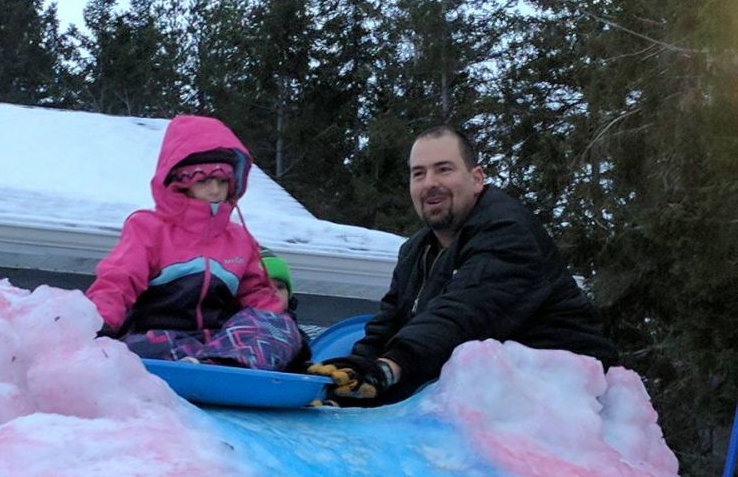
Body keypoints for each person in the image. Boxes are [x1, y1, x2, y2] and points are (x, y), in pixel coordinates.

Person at [308, 125, 618, 406]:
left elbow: (461, 314)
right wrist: (346, 376)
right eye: (419, 173)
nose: (430, 183)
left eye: (444, 170)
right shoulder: (415, 251)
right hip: (484, 403)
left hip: (565, 406)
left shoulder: (508, 232)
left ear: (477, 178)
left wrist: (389, 368)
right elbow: (387, 326)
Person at [86, 114, 301, 371]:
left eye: (222, 181)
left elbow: (258, 297)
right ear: (181, 183)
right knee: (141, 346)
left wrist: (285, 336)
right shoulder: (149, 229)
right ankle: (195, 367)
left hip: (223, 343)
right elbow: (119, 281)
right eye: (204, 181)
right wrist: (94, 326)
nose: (214, 191)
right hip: (160, 337)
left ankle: (218, 366)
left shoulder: (239, 239)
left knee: (277, 324)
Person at [259, 246, 312, 371]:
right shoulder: (226, 333)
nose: (274, 292)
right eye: (264, 286)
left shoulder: (302, 340)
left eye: (280, 287)